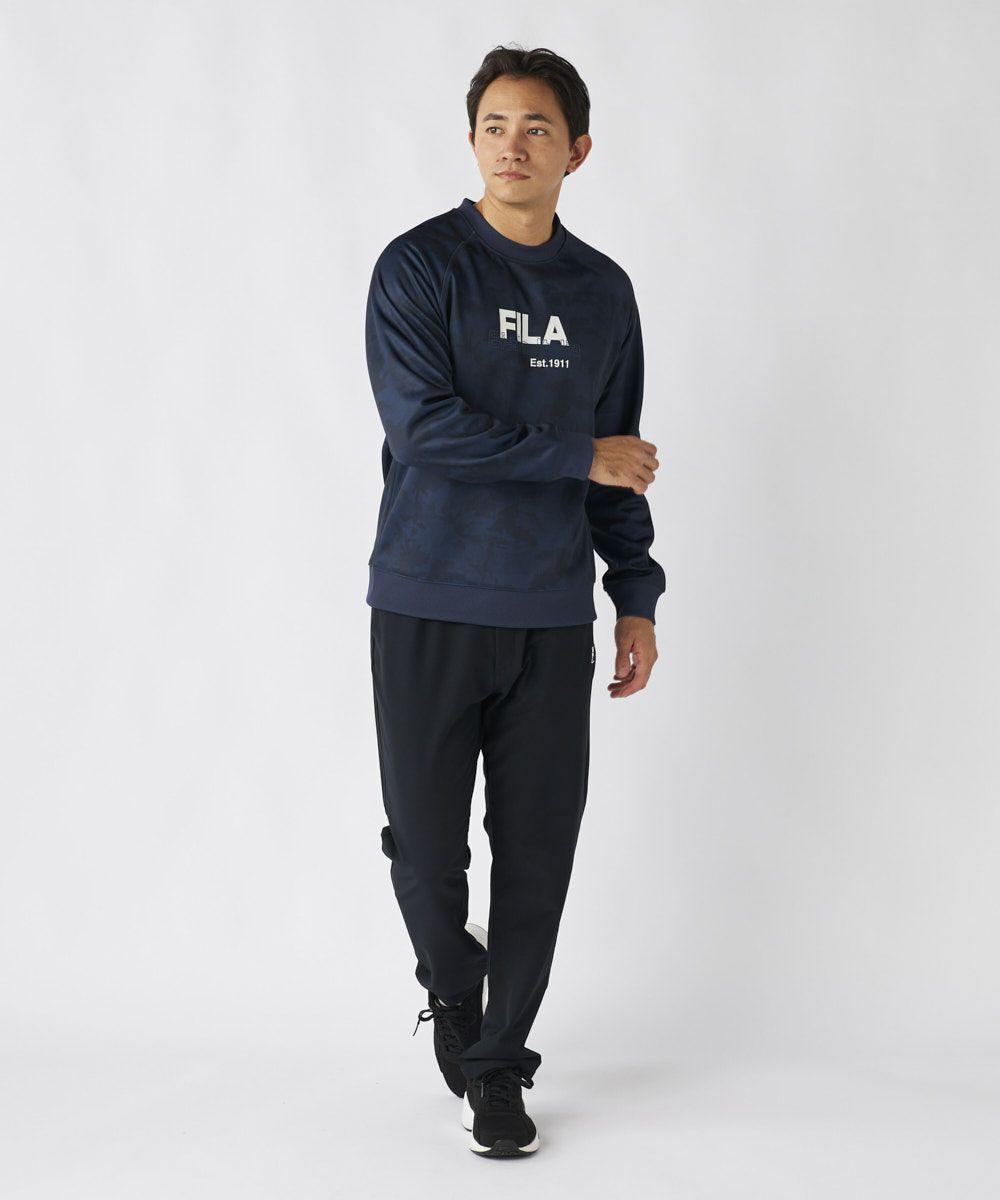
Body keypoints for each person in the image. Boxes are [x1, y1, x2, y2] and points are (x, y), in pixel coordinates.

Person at [365, 44, 665, 1158]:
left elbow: (621, 459)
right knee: (424, 850)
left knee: (537, 854)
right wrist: (575, 454)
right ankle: (454, 984)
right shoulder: (420, 268)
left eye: (536, 126)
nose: (513, 144)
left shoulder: (602, 293)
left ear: (576, 150)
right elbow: (423, 430)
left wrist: (633, 595)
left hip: (548, 615)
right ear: (472, 140)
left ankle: (497, 1065)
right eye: (495, 124)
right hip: (427, 598)